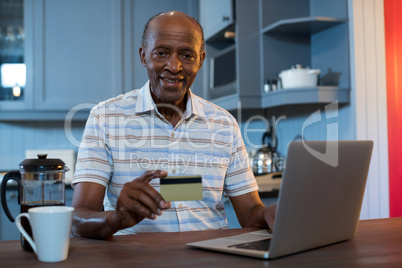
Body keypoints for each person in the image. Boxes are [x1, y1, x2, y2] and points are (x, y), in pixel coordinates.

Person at [71, 11, 276, 239]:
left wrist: (269, 214)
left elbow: (250, 212)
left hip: (211, 259)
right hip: (134, 259)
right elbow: (78, 218)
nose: (174, 66)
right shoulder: (105, 118)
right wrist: (115, 218)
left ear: (200, 60)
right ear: (143, 55)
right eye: (161, 53)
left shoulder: (224, 124)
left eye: (187, 55)